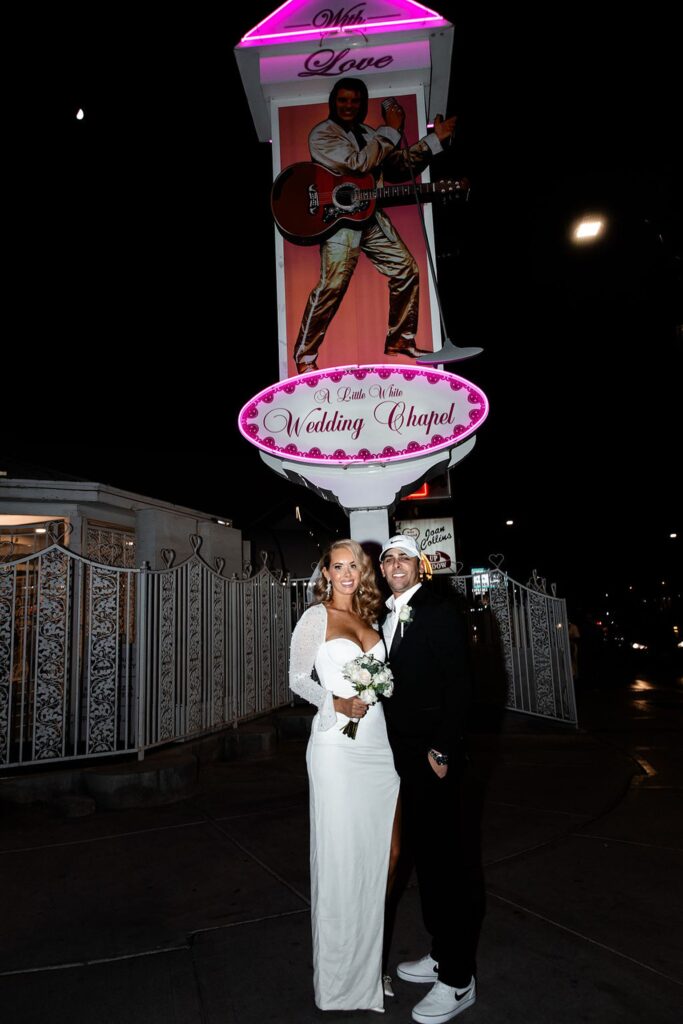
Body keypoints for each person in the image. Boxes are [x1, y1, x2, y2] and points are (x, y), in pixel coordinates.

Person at [289, 539, 401, 1011]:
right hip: (337, 747)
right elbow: (296, 679)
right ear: (326, 573)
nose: (347, 573)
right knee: (341, 860)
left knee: (388, 853)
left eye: (354, 565)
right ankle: (344, 981)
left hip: (378, 747)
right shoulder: (316, 617)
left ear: (363, 571)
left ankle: (368, 960)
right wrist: (334, 703)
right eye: (338, 566)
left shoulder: (371, 620)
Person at [379, 534, 479, 1023]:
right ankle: (441, 953)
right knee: (426, 858)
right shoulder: (387, 615)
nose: (395, 564)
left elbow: (461, 683)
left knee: (448, 864)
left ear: (420, 566)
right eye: (388, 558)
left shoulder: (437, 609)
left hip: (432, 756)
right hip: (402, 756)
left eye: (404, 557)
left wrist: (442, 748)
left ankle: (458, 979)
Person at [293, 78, 456, 373]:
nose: (348, 106)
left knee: (407, 269)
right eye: (343, 100)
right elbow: (356, 164)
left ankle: (400, 339)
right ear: (334, 101)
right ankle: (304, 356)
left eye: (355, 101)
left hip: (369, 215)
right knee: (332, 285)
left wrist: (434, 142)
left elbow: (397, 166)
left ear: (361, 103)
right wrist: (391, 130)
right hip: (338, 219)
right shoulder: (322, 134)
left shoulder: (369, 133)